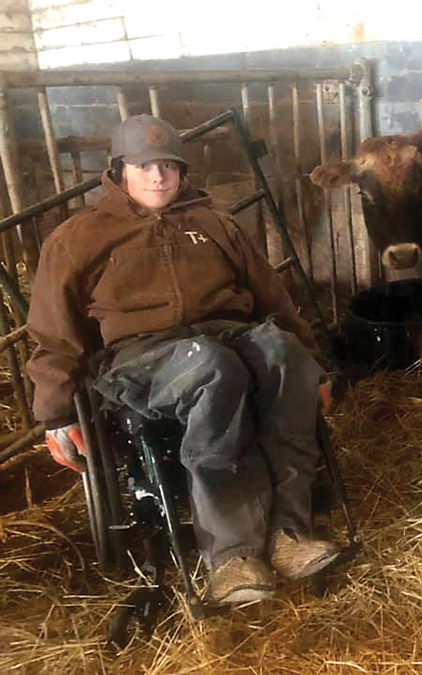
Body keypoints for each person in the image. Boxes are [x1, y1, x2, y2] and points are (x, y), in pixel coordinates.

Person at [26, 114, 339, 604]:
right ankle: (233, 555)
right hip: (141, 357)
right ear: (120, 168)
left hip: (226, 335)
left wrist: (311, 363)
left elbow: (274, 299)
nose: (158, 177)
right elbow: (55, 333)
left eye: (169, 165)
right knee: (214, 368)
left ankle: (289, 533)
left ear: (182, 170)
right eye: (144, 165)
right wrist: (57, 414)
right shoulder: (77, 238)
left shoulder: (217, 224)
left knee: (282, 353)